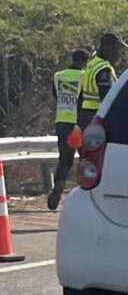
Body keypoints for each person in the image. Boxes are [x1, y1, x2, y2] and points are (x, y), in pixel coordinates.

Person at [47, 49, 89, 210]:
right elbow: (85, 100)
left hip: (61, 122)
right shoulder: (85, 77)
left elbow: (56, 96)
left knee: (65, 161)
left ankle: (59, 184)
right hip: (79, 125)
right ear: (85, 62)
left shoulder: (58, 76)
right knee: (86, 160)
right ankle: (84, 195)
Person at [78, 32, 128, 130]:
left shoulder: (92, 64)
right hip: (99, 116)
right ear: (108, 49)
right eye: (117, 49)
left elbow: (81, 95)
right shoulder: (104, 69)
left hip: (85, 115)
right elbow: (108, 99)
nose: (119, 54)